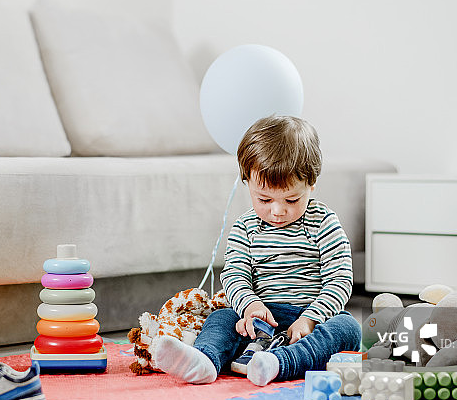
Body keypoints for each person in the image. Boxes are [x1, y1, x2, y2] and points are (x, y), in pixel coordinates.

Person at [153, 115, 361, 386]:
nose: (277, 211)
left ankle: (280, 362)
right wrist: (250, 306)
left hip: (310, 318)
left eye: (291, 199)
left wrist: (311, 318)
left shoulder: (324, 223)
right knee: (221, 317)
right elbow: (234, 276)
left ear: (311, 182)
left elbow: (340, 281)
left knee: (348, 328)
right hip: (261, 318)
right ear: (246, 182)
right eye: (264, 199)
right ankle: (205, 360)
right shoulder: (245, 227)